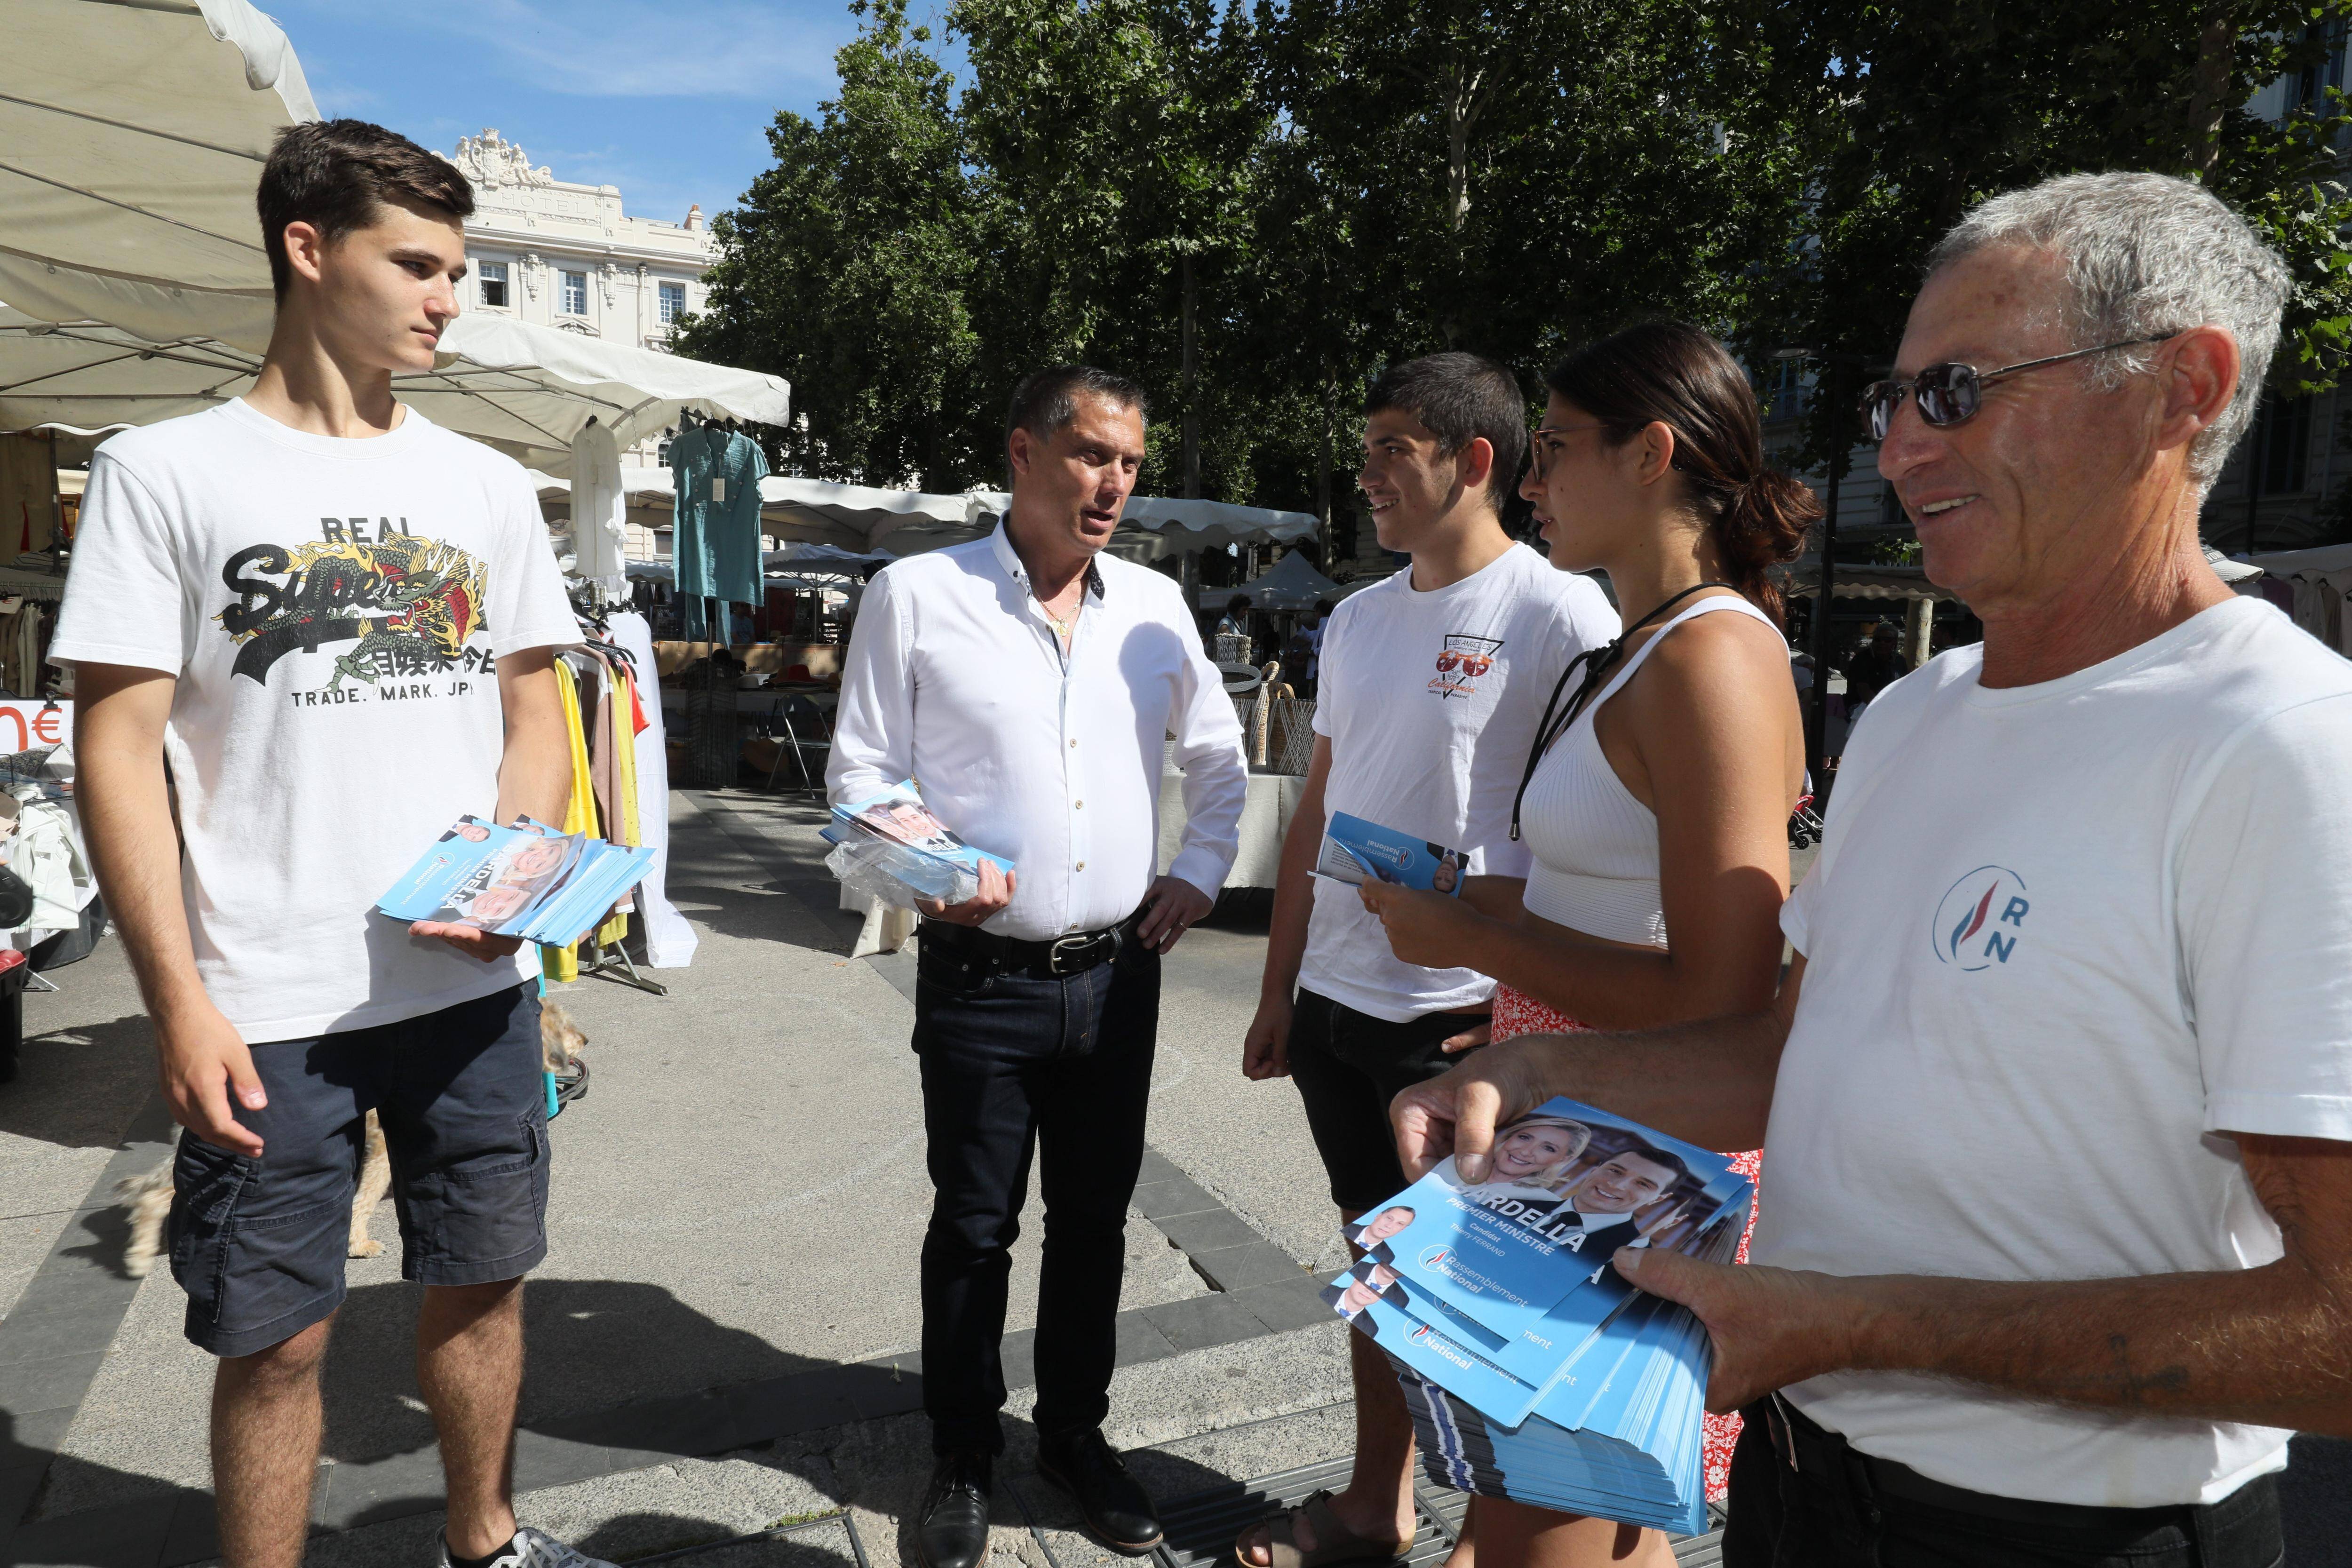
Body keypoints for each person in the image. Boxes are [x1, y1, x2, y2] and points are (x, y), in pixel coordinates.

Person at [1393, 172, 2345, 1568]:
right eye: (1889, 401)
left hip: (2070, 1534)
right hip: (1806, 1476)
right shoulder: (1913, 712)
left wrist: (1851, 1322)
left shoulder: (2290, 746)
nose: (1898, 450)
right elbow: (1792, 1047)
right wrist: (1529, 1072)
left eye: (1955, 391)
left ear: (2179, 390)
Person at [63, 121, 602, 1568]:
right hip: (267, 997)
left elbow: (535, 712)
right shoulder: (162, 470)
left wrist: (517, 875)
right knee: (278, 1336)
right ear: (308, 250)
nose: (448, 297)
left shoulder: (484, 483)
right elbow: (117, 746)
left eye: (458, 270)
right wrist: (176, 998)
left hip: (469, 980)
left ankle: (486, 1542)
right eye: (417, 264)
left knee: (484, 1280)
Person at [1355, 319, 1814, 1564]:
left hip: (1632, 1149)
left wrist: (1479, 943)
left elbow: (1722, 990)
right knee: (1594, 1517)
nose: (1531, 480)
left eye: (1554, 448)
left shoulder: (1711, 656)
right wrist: (1482, 929)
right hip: (1579, 1116)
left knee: (1544, 1508)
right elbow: (1608, 897)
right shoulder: (1652, 645)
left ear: (1650, 453)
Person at [828, 365, 1248, 1568]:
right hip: (981, 977)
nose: (1113, 483)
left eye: (1130, 462)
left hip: (1117, 976)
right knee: (973, 1225)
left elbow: (1217, 756)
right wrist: (933, 866)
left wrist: (1200, 871)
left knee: (1095, 1221)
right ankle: (962, 1451)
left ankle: (1073, 1433)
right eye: (1091, 455)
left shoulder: (1155, 605)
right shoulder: (919, 594)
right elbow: (860, 777)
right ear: (1023, 452)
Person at [1236, 353, 1619, 1568]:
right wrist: (1279, 985)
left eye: (1391, 449)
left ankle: (1490, 1541)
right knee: (1380, 1269)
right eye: (1366, 449)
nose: (1366, 474)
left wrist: (1525, 1012)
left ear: (1475, 460)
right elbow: (1318, 808)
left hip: (1463, 1024)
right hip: (1338, 1005)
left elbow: (1601, 844)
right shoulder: (1357, 617)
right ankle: (1376, 1504)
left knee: (1484, 1296)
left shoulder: (1563, 615)